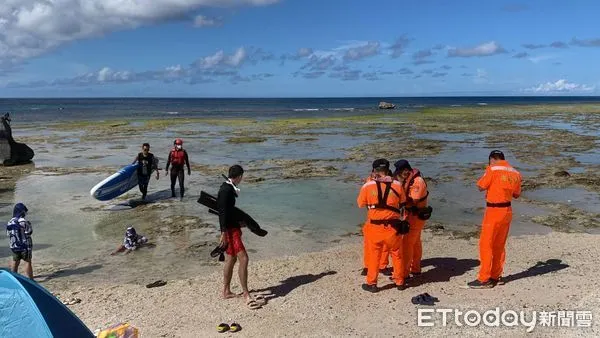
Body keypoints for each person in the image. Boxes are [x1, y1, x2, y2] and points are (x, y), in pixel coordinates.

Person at [468, 150, 522, 289]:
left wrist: (488, 170)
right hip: (507, 211)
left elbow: (480, 186)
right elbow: (516, 194)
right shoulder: (515, 173)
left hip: (493, 210)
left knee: (486, 244)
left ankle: (484, 279)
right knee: (499, 245)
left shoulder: (492, 169)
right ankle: (495, 276)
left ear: (492, 159)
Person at [357, 159, 409, 292]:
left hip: (375, 227)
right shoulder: (397, 185)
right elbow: (402, 202)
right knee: (397, 254)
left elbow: (361, 203)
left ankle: (372, 283)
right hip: (393, 227)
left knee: (374, 255)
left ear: (374, 171)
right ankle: (400, 282)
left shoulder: (368, 186)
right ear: (388, 170)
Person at [217, 165, 263, 309]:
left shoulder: (228, 187)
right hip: (230, 231)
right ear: (239, 176)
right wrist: (223, 232)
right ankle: (246, 294)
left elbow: (228, 211)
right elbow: (222, 212)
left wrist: (240, 222)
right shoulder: (226, 190)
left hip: (232, 227)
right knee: (244, 258)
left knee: (231, 259)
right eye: (242, 176)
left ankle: (226, 291)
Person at [393, 159, 430, 280]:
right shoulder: (410, 179)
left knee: (407, 244)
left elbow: (414, 200)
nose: (400, 176)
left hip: (416, 216)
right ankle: (416, 268)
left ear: (406, 170)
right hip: (412, 215)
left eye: (401, 173)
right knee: (415, 243)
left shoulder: (418, 181)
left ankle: (404, 273)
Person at [6, 203, 33, 279]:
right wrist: (29, 225)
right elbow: (29, 232)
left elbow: (8, 234)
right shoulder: (23, 221)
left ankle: (14, 278)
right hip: (25, 246)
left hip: (14, 246)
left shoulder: (10, 222)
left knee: (15, 262)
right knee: (27, 262)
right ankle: (31, 279)